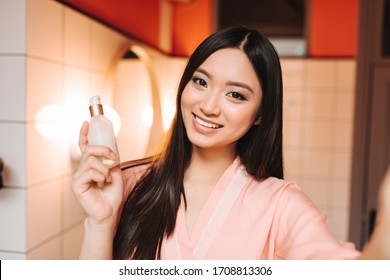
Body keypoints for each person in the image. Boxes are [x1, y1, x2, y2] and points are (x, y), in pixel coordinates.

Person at [71, 26, 390, 260]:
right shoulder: (129, 184)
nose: (209, 106)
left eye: (235, 94)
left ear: (259, 115)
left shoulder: (281, 205)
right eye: (201, 81)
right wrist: (100, 222)